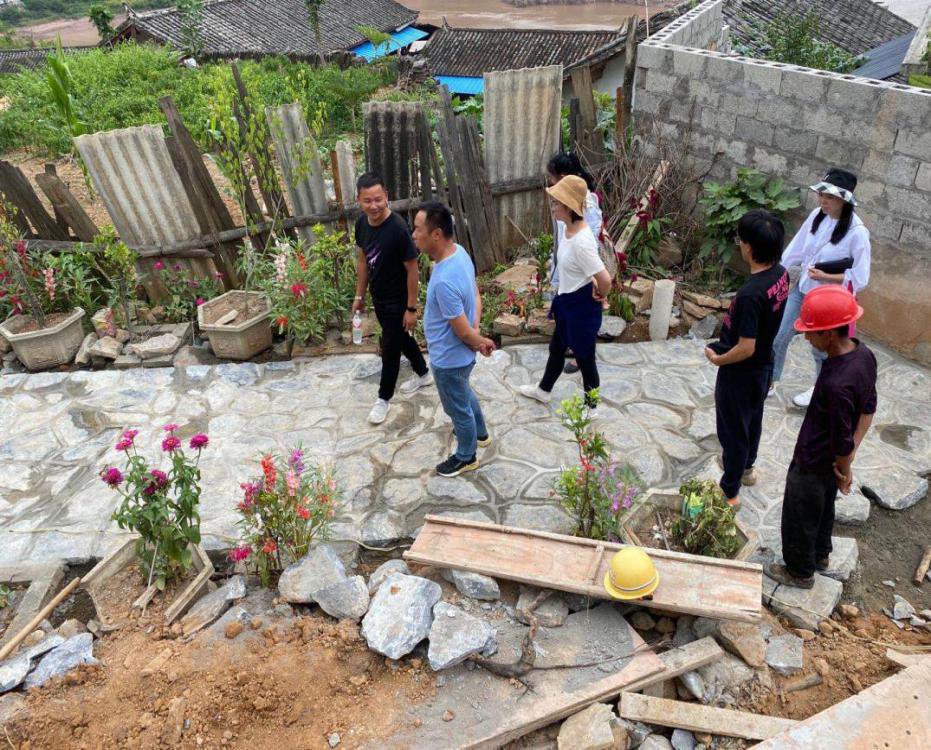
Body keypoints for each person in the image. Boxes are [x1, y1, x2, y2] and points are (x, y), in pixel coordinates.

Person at [765, 285, 876, 589]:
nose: (805, 337)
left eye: (810, 332)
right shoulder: (864, 355)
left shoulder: (836, 384)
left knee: (799, 514)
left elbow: (841, 438)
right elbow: (869, 407)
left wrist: (845, 466)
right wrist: (847, 460)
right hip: (831, 461)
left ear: (828, 334)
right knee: (825, 506)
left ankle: (799, 572)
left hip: (813, 459)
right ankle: (820, 555)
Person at [704, 209, 789, 507]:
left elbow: (745, 347)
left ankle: (729, 492)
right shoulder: (781, 274)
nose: (739, 243)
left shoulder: (751, 294)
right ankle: (747, 469)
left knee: (733, 433)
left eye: (740, 239)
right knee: (752, 420)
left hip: (741, 372)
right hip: (763, 366)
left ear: (749, 247)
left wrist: (719, 360)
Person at [770, 168, 871, 408]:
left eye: (830, 197)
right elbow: (796, 249)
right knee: (780, 335)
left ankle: (821, 389)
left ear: (844, 200)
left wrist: (827, 276)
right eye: (822, 195)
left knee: (823, 349)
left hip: (829, 300)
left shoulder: (857, 232)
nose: (823, 201)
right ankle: (770, 381)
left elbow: (860, 278)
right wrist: (778, 272)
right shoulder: (817, 215)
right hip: (803, 289)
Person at [412, 202, 496, 478]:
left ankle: (466, 456)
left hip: (449, 359)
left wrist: (479, 339)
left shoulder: (444, 280)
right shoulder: (459, 253)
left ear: (436, 234)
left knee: (457, 408)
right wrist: (476, 331)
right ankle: (481, 434)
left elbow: (461, 331)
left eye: (418, 229)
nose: (413, 234)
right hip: (460, 357)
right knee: (464, 393)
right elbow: (475, 294)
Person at [518, 175, 612, 409]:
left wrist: (601, 294)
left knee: (585, 359)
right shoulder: (568, 230)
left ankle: (591, 408)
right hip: (566, 302)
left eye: (556, 203)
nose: (552, 207)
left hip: (581, 308)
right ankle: (543, 390)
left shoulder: (581, 242)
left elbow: (605, 279)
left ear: (570, 207)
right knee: (557, 348)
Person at [352, 173, 431, 425]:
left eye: (378, 199)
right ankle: (423, 373)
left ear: (386, 196)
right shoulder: (361, 225)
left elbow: (413, 269)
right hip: (379, 298)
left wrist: (411, 308)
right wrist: (359, 294)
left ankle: (383, 398)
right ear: (359, 200)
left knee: (390, 348)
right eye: (367, 201)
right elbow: (363, 260)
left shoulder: (398, 228)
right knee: (401, 336)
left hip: (399, 299)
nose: (374, 205)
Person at [546, 152, 604, 375]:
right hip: (569, 266)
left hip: (580, 270)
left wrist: (594, 279)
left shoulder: (584, 202)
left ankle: (583, 358)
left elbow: (591, 237)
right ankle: (570, 350)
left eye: (552, 177)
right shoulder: (563, 202)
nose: (550, 182)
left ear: (563, 177)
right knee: (565, 324)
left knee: (580, 319)